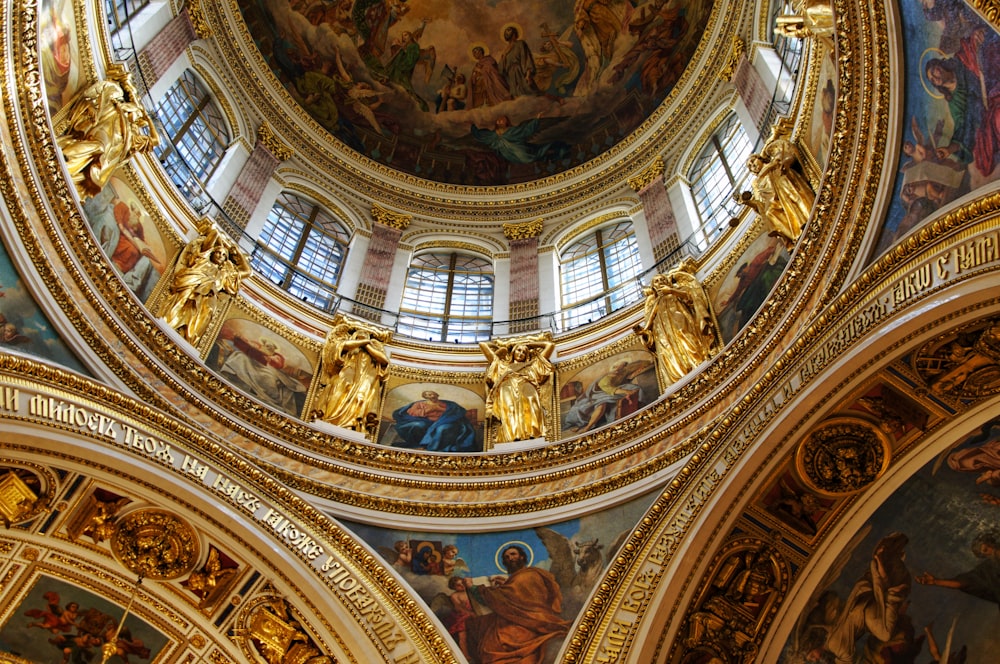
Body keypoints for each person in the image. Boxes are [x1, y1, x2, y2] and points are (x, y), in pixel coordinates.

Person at [55, 65, 158, 199]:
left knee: (98, 152)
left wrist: (149, 120)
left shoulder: (132, 136)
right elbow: (131, 99)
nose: (137, 117)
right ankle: (66, 156)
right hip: (99, 133)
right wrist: (126, 82)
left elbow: (155, 141)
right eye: (136, 114)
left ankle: (70, 169)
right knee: (98, 147)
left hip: (106, 149)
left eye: (138, 117)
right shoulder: (116, 110)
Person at [463, 544, 570, 664]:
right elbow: (516, 595)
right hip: (524, 618)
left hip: (528, 621)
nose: (510, 558)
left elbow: (506, 597)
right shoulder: (522, 577)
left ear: (522, 557)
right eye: (506, 557)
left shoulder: (528, 575)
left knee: (492, 643)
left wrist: (473, 588)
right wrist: (505, 585)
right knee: (476, 623)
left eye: (513, 554)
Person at [822, 532, 911, 664]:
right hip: (863, 608)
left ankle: (892, 598)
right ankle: (891, 597)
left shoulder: (841, 650)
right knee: (885, 634)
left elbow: (881, 579)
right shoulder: (833, 645)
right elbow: (881, 579)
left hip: (862, 610)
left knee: (885, 634)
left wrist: (879, 560)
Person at [160, 226, 250, 346]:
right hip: (192, 283)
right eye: (218, 252)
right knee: (182, 300)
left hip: (209, 295)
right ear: (212, 253)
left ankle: (189, 340)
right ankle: (168, 323)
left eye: (223, 255)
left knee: (208, 311)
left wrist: (237, 252)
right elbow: (214, 232)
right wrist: (223, 243)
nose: (220, 255)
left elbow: (247, 272)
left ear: (225, 260)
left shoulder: (225, 274)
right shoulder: (203, 259)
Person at [634, 261, 718, 386]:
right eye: (656, 281)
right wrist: (643, 330)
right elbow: (651, 318)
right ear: (653, 288)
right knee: (669, 348)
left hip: (681, 320)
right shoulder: (656, 302)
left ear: (667, 281)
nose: (660, 282)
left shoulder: (677, 290)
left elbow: (691, 297)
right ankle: (680, 375)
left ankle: (698, 362)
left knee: (686, 337)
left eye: (662, 279)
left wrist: (672, 291)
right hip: (663, 330)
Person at [738, 136, 815, 250]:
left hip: (785, 183)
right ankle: (797, 236)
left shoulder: (774, 161)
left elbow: (790, 157)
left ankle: (809, 218)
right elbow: (761, 205)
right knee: (769, 212)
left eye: (753, 161)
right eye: (750, 167)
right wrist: (747, 202)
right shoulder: (758, 183)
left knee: (788, 189)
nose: (752, 166)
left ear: (761, 158)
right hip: (775, 200)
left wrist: (785, 163)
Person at [312, 320, 390, 432]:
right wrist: (361, 342)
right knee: (337, 394)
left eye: (365, 336)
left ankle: (351, 424)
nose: (361, 337)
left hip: (364, 378)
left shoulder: (372, 348)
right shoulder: (348, 345)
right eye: (358, 335)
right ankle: (330, 419)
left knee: (360, 399)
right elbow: (343, 346)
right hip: (346, 375)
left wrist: (367, 344)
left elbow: (384, 360)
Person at [480, 334, 555, 442]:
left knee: (531, 405)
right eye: (518, 350)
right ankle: (512, 436)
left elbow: (550, 345)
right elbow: (482, 345)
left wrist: (530, 345)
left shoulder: (532, 365)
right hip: (507, 387)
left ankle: (533, 433)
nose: (521, 353)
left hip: (527, 386)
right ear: (513, 352)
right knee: (509, 410)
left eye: (524, 352)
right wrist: (501, 348)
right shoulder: (502, 366)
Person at [219, 333, 308, 416]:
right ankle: (233, 372)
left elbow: (278, 364)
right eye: (266, 345)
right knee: (241, 356)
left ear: (274, 348)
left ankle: (267, 395)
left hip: (270, 370)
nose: (268, 347)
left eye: (270, 347)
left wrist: (269, 359)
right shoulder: (260, 349)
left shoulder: (277, 357)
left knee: (268, 377)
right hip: (257, 365)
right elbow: (252, 352)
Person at [561, 360, 648, 434]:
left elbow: (624, 383)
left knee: (607, 402)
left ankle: (587, 426)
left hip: (609, 395)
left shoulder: (622, 376)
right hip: (595, 395)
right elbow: (608, 388)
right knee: (601, 404)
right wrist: (626, 391)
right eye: (616, 368)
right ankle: (587, 427)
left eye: (621, 368)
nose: (617, 370)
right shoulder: (608, 377)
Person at [916, 532, 1000, 607]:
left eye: (990, 543)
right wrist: (936, 581)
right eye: (986, 549)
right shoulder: (987, 570)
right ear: (984, 555)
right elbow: (964, 582)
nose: (992, 548)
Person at [391, 390, 478, 452]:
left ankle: (432, 448)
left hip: (444, 421)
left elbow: (454, 412)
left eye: (432, 394)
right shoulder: (420, 404)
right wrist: (427, 411)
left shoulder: (447, 404)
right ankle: (418, 444)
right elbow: (412, 412)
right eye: (428, 394)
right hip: (427, 421)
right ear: (425, 397)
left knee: (442, 428)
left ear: (437, 395)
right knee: (417, 425)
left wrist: (438, 408)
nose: (431, 395)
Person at [499, 25, 538, 97]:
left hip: (520, 73)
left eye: (511, 33)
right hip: (511, 77)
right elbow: (502, 69)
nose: (510, 35)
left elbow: (526, 58)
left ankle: (557, 99)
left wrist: (528, 75)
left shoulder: (520, 44)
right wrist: (503, 58)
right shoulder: (505, 50)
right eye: (507, 33)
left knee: (531, 93)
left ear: (514, 34)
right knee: (516, 98)